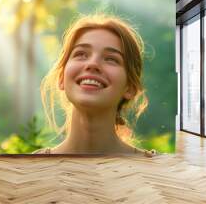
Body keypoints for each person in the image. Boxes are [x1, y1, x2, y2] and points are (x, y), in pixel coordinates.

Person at [34, 14, 156, 157]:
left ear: (130, 88)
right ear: (61, 78)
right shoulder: (29, 168)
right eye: (81, 54)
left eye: (111, 59)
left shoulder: (159, 170)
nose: (92, 64)